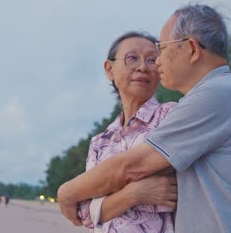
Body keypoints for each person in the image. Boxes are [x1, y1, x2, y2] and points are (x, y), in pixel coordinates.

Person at [58, 4, 231, 233]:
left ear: (193, 49)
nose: (155, 63)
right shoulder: (216, 95)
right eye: (131, 58)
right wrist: (130, 194)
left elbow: (132, 167)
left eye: (161, 50)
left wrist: (65, 193)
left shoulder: (216, 95)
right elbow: (89, 212)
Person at [76, 31, 178, 232]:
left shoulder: (171, 117)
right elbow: (85, 213)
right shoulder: (100, 142)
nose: (142, 67)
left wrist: (107, 201)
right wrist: (134, 193)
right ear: (110, 69)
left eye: (152, 60)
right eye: (132, 58)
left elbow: (171, 189)